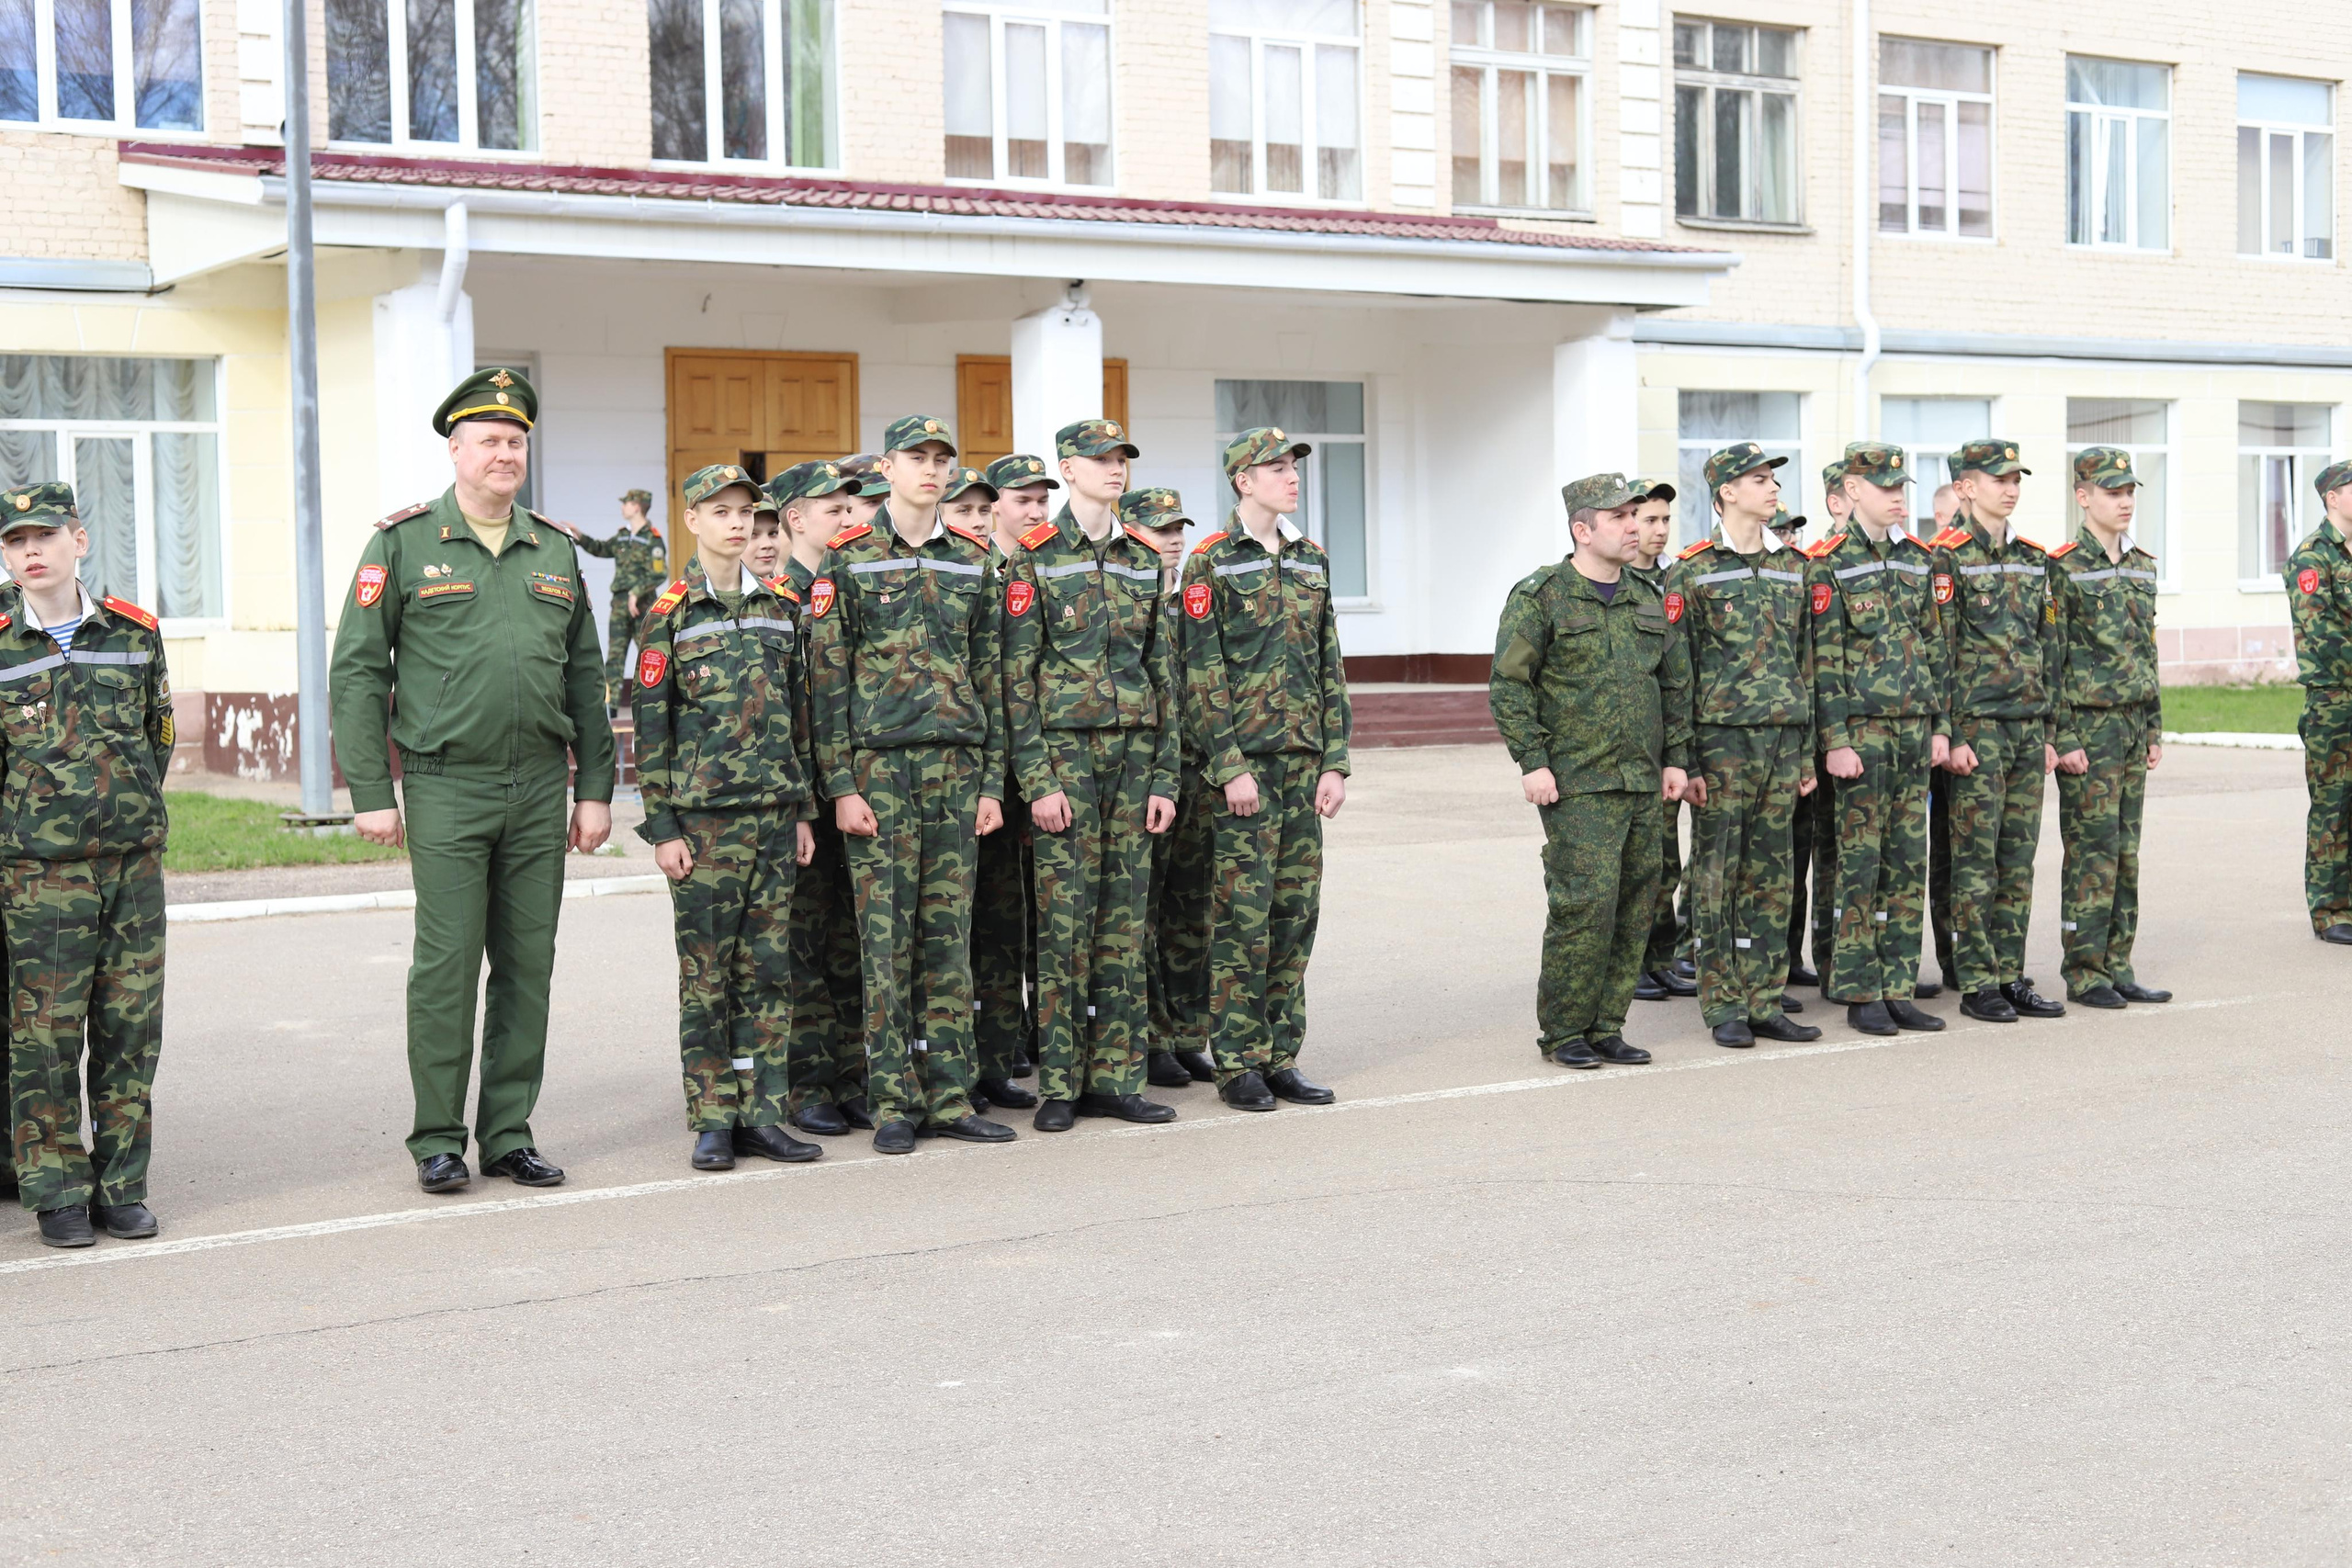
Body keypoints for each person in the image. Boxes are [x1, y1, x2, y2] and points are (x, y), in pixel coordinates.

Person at [330, 367, 616, 1194]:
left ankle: (510, 1131)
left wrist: (594, 785)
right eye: (488, 439)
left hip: (537, 787)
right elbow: (356, 673)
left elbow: (585, 677)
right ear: (455, 449)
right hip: (446, 782)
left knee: (529, 964)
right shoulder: (403, 543)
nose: (504, 453)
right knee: (448, 965)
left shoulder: (554, 547)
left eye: (515, 440)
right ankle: (437, 1138)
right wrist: (373, 793)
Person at [808, 415, 1015, 1153]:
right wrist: (840, 785)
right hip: (880, 772)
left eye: (941, 459)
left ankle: (952, 1095)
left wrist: (992, 782)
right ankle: (894, 1098)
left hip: (957, 770)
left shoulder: (973, 560)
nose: (931, 470)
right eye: (917, 458)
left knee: (948, 939)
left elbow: (991, 676)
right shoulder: (849, 557)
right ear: (888, 468)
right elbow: (827, 680)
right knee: (885, 942)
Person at [634, 467, 825, 1172]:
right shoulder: (670, 613)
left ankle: (763, 1112)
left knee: (768, 970)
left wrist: (804, 810)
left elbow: (798, 719)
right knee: (708, 973)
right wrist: (663, 827)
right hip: (705, 823)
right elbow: (650, 730)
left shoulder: (781, 606)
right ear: (693, 520)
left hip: (775, 816)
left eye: (748, 512)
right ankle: (714, 1115)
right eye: (723, 511)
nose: (739, 524)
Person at [0, 481, 173, 1248]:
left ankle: (122, 1185)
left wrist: (123, 813)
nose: (29, 551)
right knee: (44, 1037)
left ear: (80, 539)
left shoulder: (134, 632)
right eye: (14, 541)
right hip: (38, 876)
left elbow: (156, 737)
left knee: (131, 1030)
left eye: (43, 535)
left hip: (132, 870)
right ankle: (57, 1191)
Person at [1005, 423, 1183, 1130]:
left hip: (1135, 759)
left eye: (1123, 461)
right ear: (1068, 468)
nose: (1116, 470)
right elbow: (1015, 678)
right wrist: (1036, 779)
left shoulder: (1143, 557)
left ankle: (1117, 1074)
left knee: (1124, 922)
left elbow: (1162, 672)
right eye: (1103, 461)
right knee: (1064, 924)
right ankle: (1062, 1082)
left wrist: (1165, 777)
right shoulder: (1035, 559)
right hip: (1065, 760)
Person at [1491, 474, 1697, 1068]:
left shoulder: (1644, 595)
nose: (1635, 526)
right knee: (1584, 905)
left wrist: (1676, 756)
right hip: (1578, 781)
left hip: (1641, 778)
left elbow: (1673, 681)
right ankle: (1564, 1031)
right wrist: (1532, 760)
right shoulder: (1543, 595)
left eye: (1636, 515)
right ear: (1583, 529)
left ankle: (1608, 1023)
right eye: (1620, 517)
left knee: (1637, 902)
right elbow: (1509, 685)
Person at [1181, 426, 1352, 1109]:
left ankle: (1282, 1054)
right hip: (1245, 769)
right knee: (1241, 919)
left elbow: (1328, 662)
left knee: (1293, 914)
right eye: (1275, 467)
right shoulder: (1210, 562)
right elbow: (1200, 671)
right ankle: (1239, 1062)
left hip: (1303, 764)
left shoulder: (1311, 559)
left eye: (1293, 466)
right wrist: (1228, 766)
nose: (1291, 476)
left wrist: (1335, 760)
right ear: (1242, 481)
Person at [1662, 442, 1821, 1048]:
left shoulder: (1794, 567)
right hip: (1721, 746)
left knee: (1773, 875)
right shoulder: (1694, 570)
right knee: (1716, 877)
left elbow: (1805, 663)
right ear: (1727, 491)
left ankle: (1764, 996)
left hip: (1782, 746)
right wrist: (1687, 758)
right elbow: (1679, 673)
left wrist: (1805, 752)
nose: (1772, 488)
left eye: (1772, 479)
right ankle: (1723, 1002)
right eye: (1759, 479)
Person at [1804, 445, 1947, 1038]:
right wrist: (1834, 738)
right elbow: (1824, 661)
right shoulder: (1829, 563)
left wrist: (1941, 726)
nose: (1897, 495)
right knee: (1860, 864)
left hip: (1913, 734)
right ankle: (1861, 987)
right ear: (1852, 490)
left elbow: (1935, 648)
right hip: (1861, 735)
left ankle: (1898, 982)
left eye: (1900, 486)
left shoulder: (1920, 559)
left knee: (1907, 863)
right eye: (1883, 486)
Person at [1928, 439, 2065, 1021]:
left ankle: (2011, 973)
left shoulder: (2035, 558)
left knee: (2018, 858)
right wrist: (1953, 733)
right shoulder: (1944, 557)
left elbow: (2050, 647)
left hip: (2027, 729)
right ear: (1966, 487)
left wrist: (2053, 730)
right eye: (1998, 478)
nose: (2010, 488)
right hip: (1978, 730)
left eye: (2016, 478)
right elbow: (1940, 653)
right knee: (1974, 861)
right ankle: (1977, 979)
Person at [764, 460, 870, 1134]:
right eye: (832, 509)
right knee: (801, 941)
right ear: (796, 519)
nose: (847, 517)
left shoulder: (857, 587)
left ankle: (854, 1073)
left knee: (854, 939)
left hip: (858, 787)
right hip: (801, 794)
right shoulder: (773, 598)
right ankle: (807, 1081)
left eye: (849, 507)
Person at [2049, 446, 2170, 1010]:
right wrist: (2064, 737)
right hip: (2089, 730)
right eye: (2112, 492)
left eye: (2129, 493)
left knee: (2126, 851)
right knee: (2090, 851)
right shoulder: (2063, 567)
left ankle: (2119, 962)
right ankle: (2084, 969)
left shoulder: (2143, 565)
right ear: (2083, 496)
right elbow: (2053, 659)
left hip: (2129, 725)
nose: (2124, 502)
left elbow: (2146, 649)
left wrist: (2153, 726)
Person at [944, 461, 1040, 1114]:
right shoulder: (948, 580)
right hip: (959, 781)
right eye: (966, 511)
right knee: (954, 933)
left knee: (1004, 931)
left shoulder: (1019, 577)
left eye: (984, 511)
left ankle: (997, 1059)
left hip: (1011, 783)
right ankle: (947, 1064)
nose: (977, 522)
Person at [1627, 479, 1697, 1004]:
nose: (1657, 529)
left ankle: (1661, 957)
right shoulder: (1613, 578)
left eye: (1664, 520)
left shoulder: (1679, 577)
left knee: (1667, 859)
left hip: (1673, 738)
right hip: (1630, 743)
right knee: (1639, 862)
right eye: (1648, 519)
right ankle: (1634, 963)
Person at [2285, 459, 2352, 943]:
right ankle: (2330, 912)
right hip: (2334, 702)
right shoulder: (2312, 557)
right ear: (2333, 498)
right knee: (2333, 805)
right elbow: (2322, 635)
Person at [1772, 504, 1828, 991]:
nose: (1788, 537)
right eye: (1780, 531)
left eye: (1792, 531)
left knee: (1795, 862)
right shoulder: (1702, 569)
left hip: (1799, 742)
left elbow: (1812, 668)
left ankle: (1786, 959)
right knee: (1743, 868)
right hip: (1744, 745)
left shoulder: (1803, 575)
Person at [575, 488, 669, 712]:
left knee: (650, 654)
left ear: (636, 506)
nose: (622, 507)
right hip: (619, 604)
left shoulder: (652, 539)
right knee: (615, 656)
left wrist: (636, 592)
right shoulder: (622, 536)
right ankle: (611, 708)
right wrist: (580, 537)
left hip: (642, 606)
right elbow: (601, 548)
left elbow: (659, 573)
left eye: (625, 503)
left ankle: (657, 703)